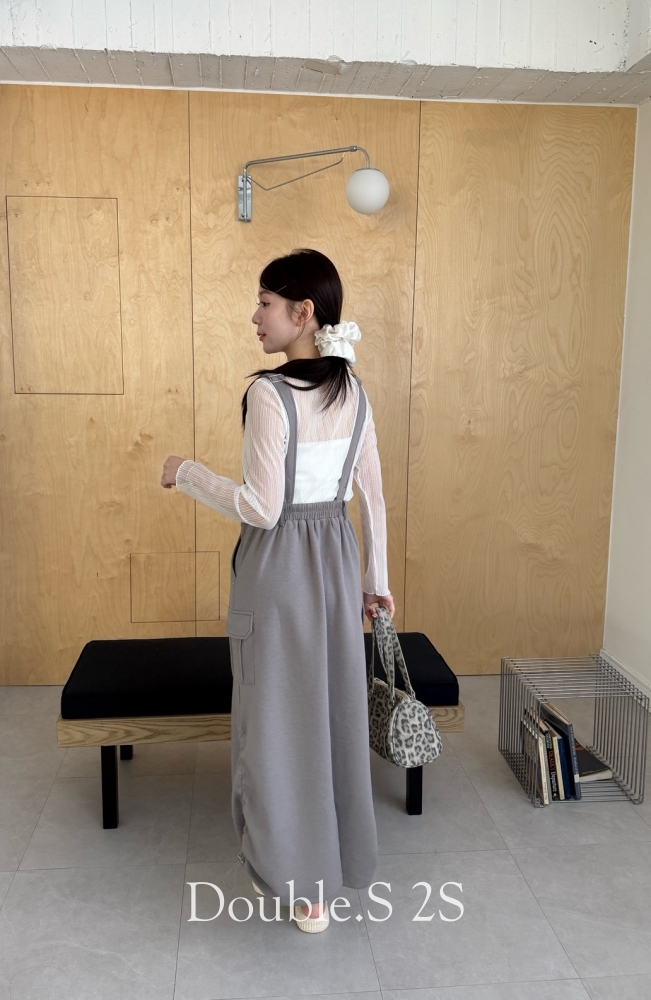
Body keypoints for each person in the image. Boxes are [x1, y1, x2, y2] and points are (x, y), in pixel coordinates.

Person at [161, 248, 394, 932]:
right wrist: (375, 584)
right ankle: (334, 868)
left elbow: (262, 509)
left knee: (276, 722)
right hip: (336, 564)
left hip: (278, 569)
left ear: (303, 312)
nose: (255, 316)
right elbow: (372, 497)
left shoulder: (269, 394)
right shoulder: (355, 393)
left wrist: (186, 473)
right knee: (330, 714)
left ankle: (301, 884)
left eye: (265, 302)